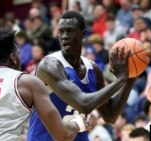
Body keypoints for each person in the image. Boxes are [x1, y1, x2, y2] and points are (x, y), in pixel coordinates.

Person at [27, 11, 136, 141]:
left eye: (70, 31)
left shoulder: (93, 69)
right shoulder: (49, 65)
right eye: (61, 31)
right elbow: (83, 104)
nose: (64, 36)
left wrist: (130, 79)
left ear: (83, 34)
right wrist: (121, 79)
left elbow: (110, 116)